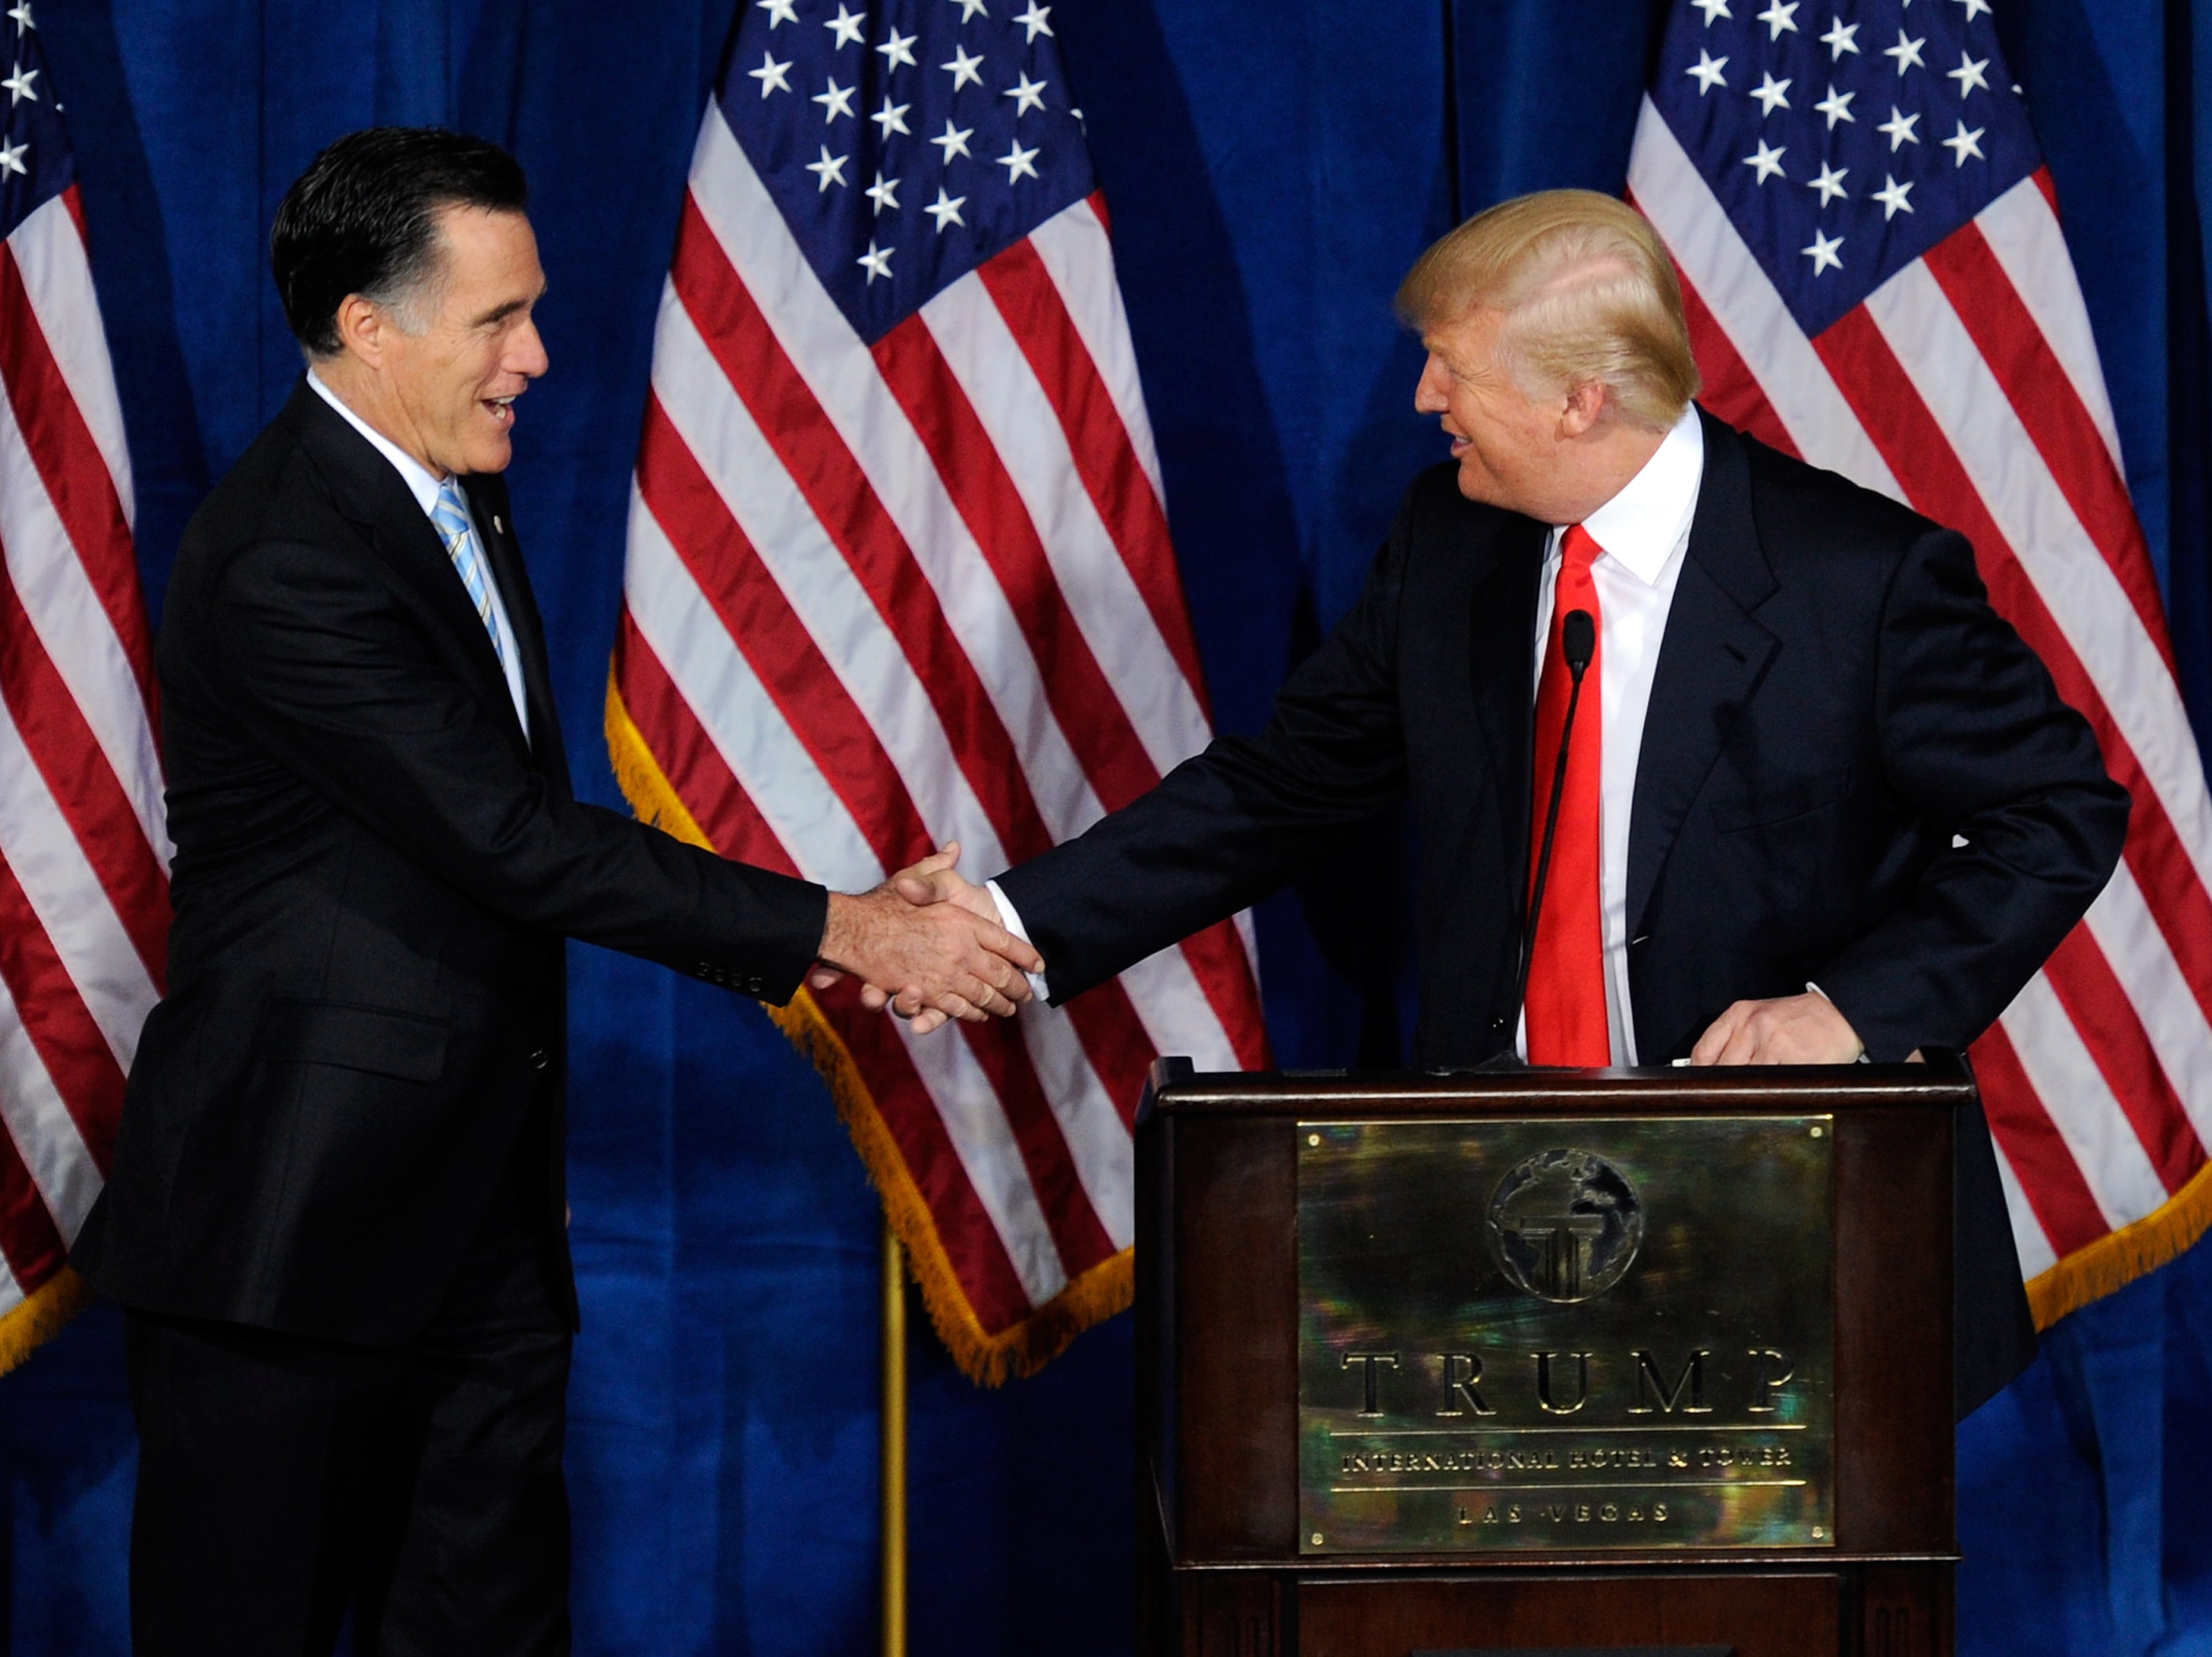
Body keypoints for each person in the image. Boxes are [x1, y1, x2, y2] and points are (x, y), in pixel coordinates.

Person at [69, 127, 1037, 1657]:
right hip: (286, 1233)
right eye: (497, 320)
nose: (539, 354)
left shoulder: (450, 489)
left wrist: (836, 926)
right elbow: (513, 840)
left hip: (477, 1216)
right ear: (369, 329)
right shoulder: (285, 555)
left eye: (533, 311)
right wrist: (850, 931)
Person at [900, 189, 2130, 1416]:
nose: (1426, 399)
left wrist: (1852, 1010)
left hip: (1795, 1218)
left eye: (1451, 366)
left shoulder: (1857, 579)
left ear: (1579, 399)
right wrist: (1009, 927)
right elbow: (1281, 786)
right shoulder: (1452, 542)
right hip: (1502, 1231)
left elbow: (2059, 813)